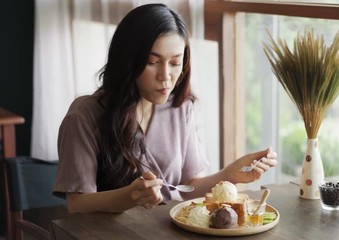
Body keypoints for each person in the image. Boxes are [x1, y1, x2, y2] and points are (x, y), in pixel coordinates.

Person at [53, 3, 277, 214]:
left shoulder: (180, 107)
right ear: (128, 60)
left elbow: (188, 187)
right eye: (152, 62)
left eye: (175, 63)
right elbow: (77, 204)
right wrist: (130, 197)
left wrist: (229, 175)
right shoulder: (85, 115)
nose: (166, 76)